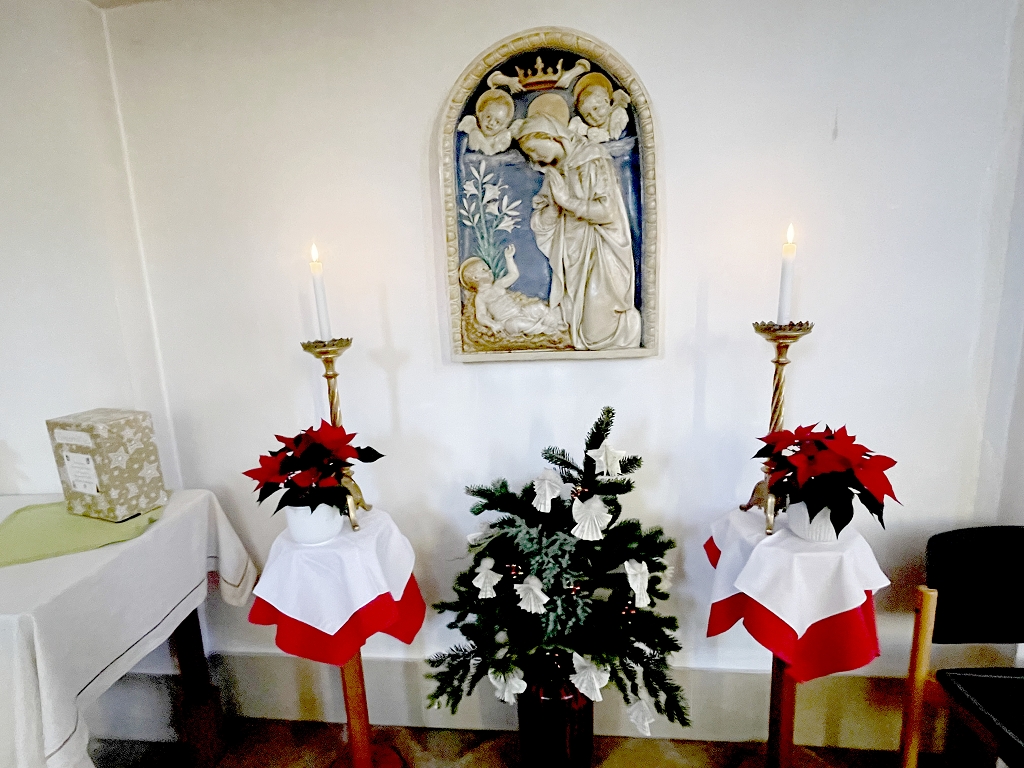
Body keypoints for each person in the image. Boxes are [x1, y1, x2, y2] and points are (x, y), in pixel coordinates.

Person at [513, 113, 641, 350]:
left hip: (600, 250)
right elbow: (543, 221)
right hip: (571, 255)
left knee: (595, 334)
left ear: (552, 136)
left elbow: (607, 212)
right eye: (528, 154)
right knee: (573, 320)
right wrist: (554, 207)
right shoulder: (554, 172)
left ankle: (628, 326)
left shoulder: (592, 159)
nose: (533, 157)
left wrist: (567, 201)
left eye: (534, 149)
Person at [460, 246, 567, 337]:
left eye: (488, 268)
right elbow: (481, 316)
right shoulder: (481, 297)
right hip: (507, 321)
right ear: (475, 277)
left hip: (521, 312)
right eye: (484, 270)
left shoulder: (499, 284)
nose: (490, 270)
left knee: (538, 307)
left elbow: (514, 275)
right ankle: (546, 330)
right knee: (516, 324)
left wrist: (509, 258)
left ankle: (555, 322)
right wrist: (493, 324)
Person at [568, 72, 630, 143]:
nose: (593, 116)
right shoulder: (589, 131)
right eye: (587, 115)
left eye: (595, 109)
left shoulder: (618, 115)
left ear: (606, 101)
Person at [458, 89, 515, 156]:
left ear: (503, 125)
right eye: (488, 117)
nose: (491, 123)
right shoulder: (471, 128)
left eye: (497, 122)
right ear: (480, 114)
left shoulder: (501, 140)